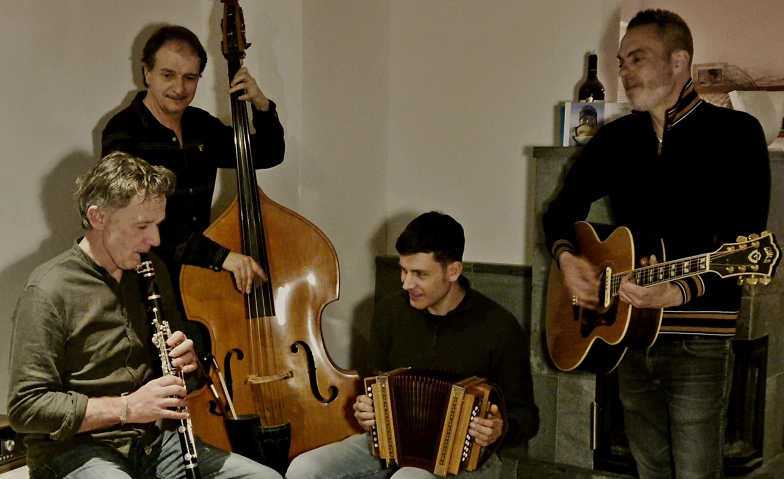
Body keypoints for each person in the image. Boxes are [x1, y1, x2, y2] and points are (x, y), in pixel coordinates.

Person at [542, 9, 770, 479]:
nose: (624, 72)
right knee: (649, 468)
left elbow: (743, 241)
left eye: (638, 58)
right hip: (627, 330)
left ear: (679, 61)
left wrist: (678, 291)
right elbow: (560, 211)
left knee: (695, 473)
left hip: (699, 339)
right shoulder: (615, 139)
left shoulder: (737, 135)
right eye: (622, 62)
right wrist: (567, 258)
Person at [6, 152, 282, 479]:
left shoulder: (152, 271)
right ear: (97, 217)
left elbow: (182, 376)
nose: (155, 240)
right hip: (74, 450)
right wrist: (128, 408)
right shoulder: (48, 291)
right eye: (141, 226)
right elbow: (26, 408)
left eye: (158, 225)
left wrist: (188, 363)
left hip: (150, 445)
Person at [286, 211, 540, 479]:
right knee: (304, 469)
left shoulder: (499, 326)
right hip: (391, 444)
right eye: (404, 270)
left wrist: (500, 428)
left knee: (408, 477)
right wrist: (367, 410)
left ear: (453, 271)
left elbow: (527, 417)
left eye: (420, 274)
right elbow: (374, 384)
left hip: (468, 457)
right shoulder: (389, 312)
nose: (407, 283)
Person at [102, 25, 285, 297]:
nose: (179, 88)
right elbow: (137, 216)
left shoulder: (202, 125)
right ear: (147, 72)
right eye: (168, 75)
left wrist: (261, 105)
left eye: (190, 77)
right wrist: (222, 257)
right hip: (146, 278)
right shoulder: (122, 132)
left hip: (200, 273)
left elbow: (268, 153)